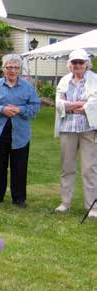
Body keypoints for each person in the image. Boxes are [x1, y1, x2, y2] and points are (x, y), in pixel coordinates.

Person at [0, 54, 40, 208]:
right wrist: (2, 109)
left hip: (20, 134)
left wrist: (19, 109)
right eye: (9, 67)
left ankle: (19, 198)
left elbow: (35, 107)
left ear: (20, 69)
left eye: (16, 67)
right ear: (3, 69)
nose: (12, 70)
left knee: (19, 167)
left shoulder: (28, 87)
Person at [53, 49, 97, 218]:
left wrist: (72, 105)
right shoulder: (64, 80)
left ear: (87, 63)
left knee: (89, 169)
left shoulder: (94, 79)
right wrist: (80, 104)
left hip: (89, 128)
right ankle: (65, 202)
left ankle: (92, 206)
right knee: (67, 167)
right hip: (67, 128)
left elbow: (94, 103)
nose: (77, 65)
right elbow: (59, 104)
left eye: (81, 62)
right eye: (74, 62)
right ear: (69, 64)